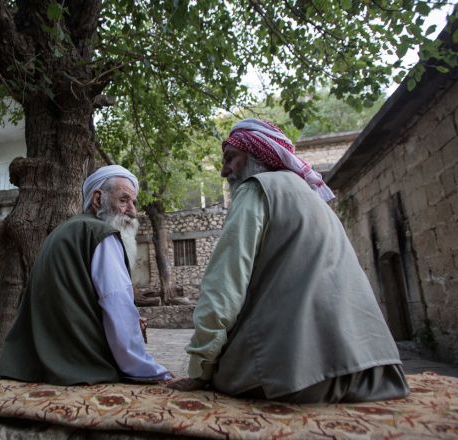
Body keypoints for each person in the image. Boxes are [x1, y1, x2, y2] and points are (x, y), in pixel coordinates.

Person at [169, 118, 409, 404]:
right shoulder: (314, 198)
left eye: (231, 158)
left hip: (296, 377)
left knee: (228, 371)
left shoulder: (255, 189)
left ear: (257, 154)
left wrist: (201, 369)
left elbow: (222, 289)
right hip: (374, 373)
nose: (224, 171)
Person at [0, 165, 171, 385]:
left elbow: (74, 301)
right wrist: (149, 370)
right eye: (124, 200)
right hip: (78, 365)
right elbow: (117, 306)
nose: (133, 211)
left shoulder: (63, 231)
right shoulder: (101, 234)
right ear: (98, 199)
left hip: (31, 366)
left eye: (133, 202)